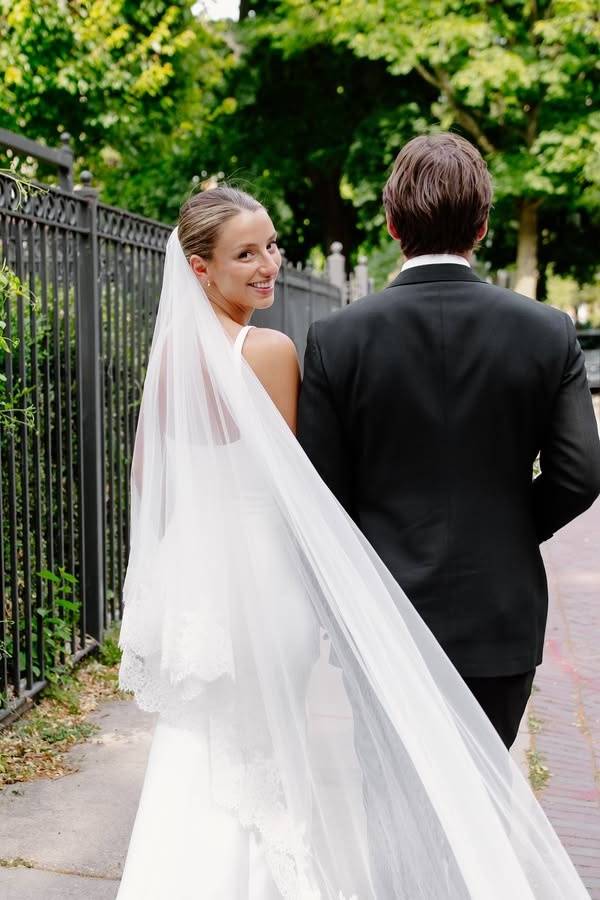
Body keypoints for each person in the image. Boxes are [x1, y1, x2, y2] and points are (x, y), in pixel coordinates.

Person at [116, 186, 591, 898]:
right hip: (277, 590)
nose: (269, 263)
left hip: (202, 594)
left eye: (271, 246)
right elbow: (307, 494)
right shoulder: (270, 350)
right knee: (284, 756)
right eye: (248, 252)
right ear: (199, 268)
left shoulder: (173, 362)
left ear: (395, 226)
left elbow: (154, 488)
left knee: (206, 755)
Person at [298, 133, 600, 751]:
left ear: (390, 223)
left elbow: (321, 494)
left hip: (384, 616)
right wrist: (514, 525)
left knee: (391, 814)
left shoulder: (337, 339)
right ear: (484, 225)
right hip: (499, 615)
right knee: (480, 818)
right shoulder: (547, 332)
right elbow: (581, 473)